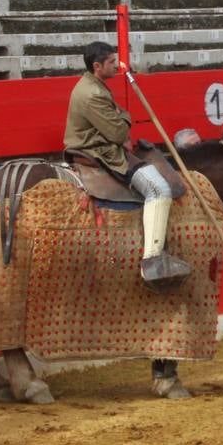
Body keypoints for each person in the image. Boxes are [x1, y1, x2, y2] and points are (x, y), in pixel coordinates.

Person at [64, 42, 189, 290]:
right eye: (111, 62)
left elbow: (118, 123)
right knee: (159, 189)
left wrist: (121, 122)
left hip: (101, 145)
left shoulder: (93, 85)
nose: (117, 65)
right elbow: (118, 130)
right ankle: (152, 260)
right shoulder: (92, 94)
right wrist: (124, 120)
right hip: (100, 152)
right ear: (97, 66)